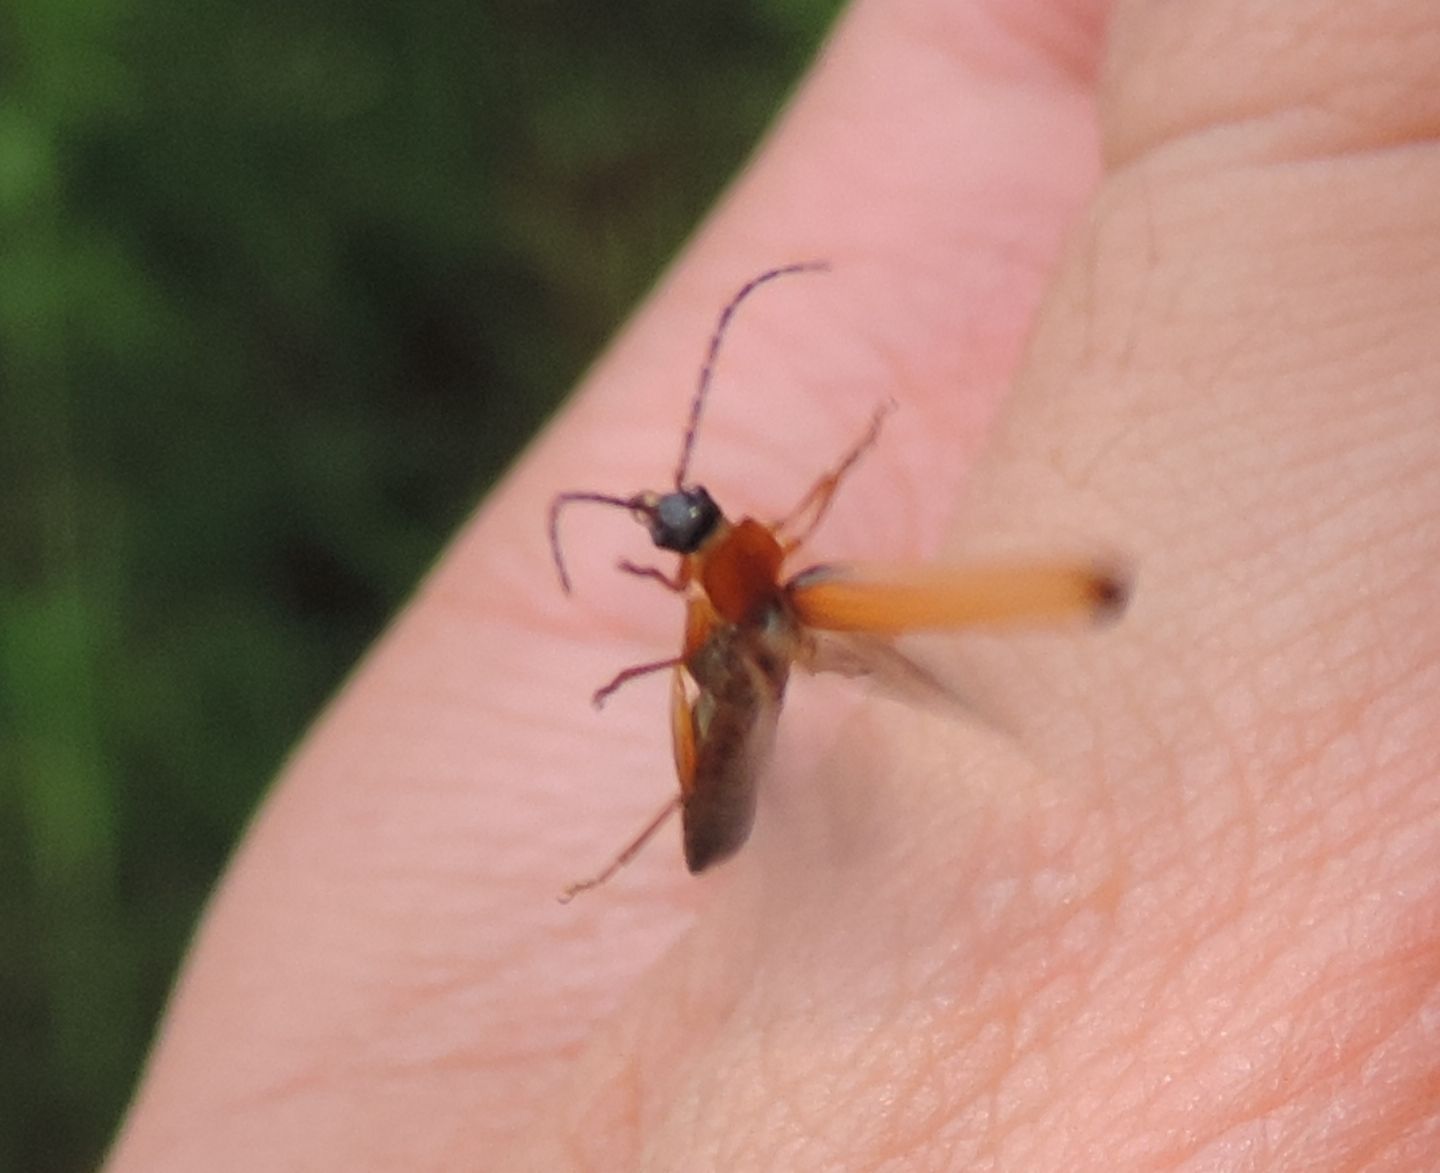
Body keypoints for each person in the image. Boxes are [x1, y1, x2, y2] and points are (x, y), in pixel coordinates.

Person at [108, 0, 1440, 1167]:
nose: (679, 516)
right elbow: (747, 597)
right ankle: (681, 819)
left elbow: (758, 575)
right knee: (717, 704)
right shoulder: (751, 597)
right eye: (681, 520)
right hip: (742, 715)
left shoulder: (747, 588)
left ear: (695, 536)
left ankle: (699, 808)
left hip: (753, 691)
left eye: (679, 515)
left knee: (745, 677)